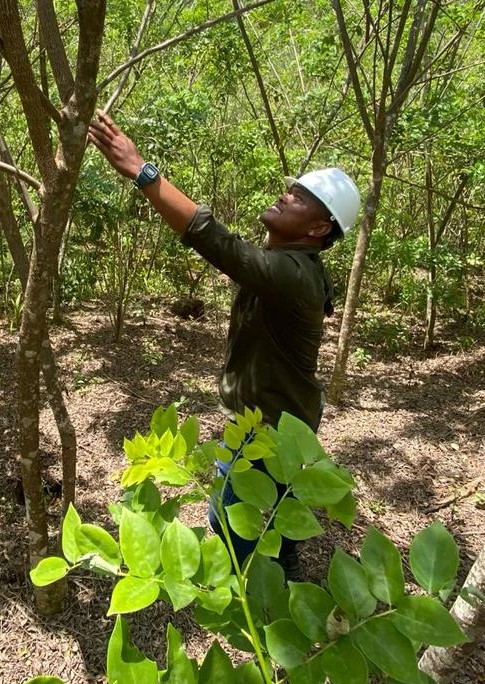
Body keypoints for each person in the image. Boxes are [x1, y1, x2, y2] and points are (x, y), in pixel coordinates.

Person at [86, 111, 360, 578]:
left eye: (301, 197)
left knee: (228, 520)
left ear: (318, 229)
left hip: (274, 430)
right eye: (292, 187)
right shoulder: (284, 262)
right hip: (276, 420)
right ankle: (282, 565)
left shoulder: (293, 275)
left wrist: (141, 170)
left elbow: (218, 242)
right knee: (267, 512)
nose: (286, 194)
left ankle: (262, 591)